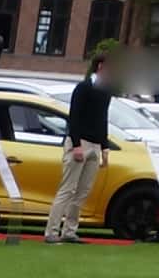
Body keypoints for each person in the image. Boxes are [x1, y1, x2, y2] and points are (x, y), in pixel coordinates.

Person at [45, 49, 115, 242]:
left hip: (94, 145)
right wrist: (76, 145)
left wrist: (105, 146)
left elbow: (103, 119)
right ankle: (51, 231)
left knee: (82, 191)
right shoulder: (84, 88)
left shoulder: (105, 91)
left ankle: (69, 231)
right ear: (101, 67)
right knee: (67, 189)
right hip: (80, 142)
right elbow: (74, 117)